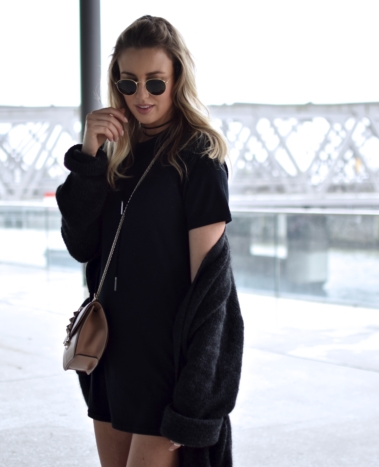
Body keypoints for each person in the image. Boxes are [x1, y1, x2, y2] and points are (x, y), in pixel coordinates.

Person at [56, 15, 243, 467]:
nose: (141, 96)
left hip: (168, 367)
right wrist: (88, 155)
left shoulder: (198, 157)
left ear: (176, 78)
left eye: (155, 83)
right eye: (129, 83)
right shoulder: (115, 155)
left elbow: (212, 291)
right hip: (112, 357)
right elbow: (80, 244)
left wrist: (196, 399)